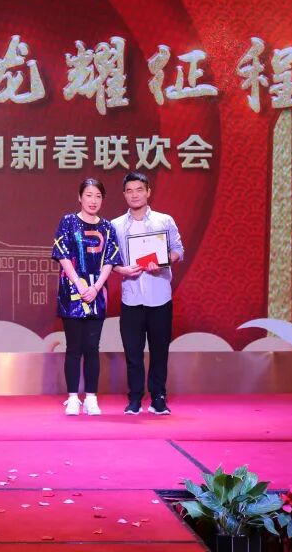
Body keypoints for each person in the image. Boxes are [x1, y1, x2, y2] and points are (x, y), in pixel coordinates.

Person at [111, 171, 184, 416]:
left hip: (159, 296)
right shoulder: (116, 225)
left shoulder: (164, 221)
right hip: (131, 297)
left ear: (148, 192)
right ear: (124, 195)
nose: (134, 195)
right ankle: (134, 399)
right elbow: (110, 260)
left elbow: (178, 250)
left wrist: (163, 261)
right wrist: (122, 269)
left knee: (159, 351)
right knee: (133, 352)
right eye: (129, 191)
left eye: (139, 190)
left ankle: (158, 398)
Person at [50, 178, 122, 416]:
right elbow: (62, 255)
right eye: (89, 195)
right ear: (80, 197)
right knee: (73, 348)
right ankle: (73, 398)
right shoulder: (68, 221)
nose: (93, 200)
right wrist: (79, 285)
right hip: (72, 293)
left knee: (92, 348)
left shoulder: (108, 227)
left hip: (97, 293)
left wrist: (96, 287)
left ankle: (91, 397)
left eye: (98, 196)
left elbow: (110, 260)